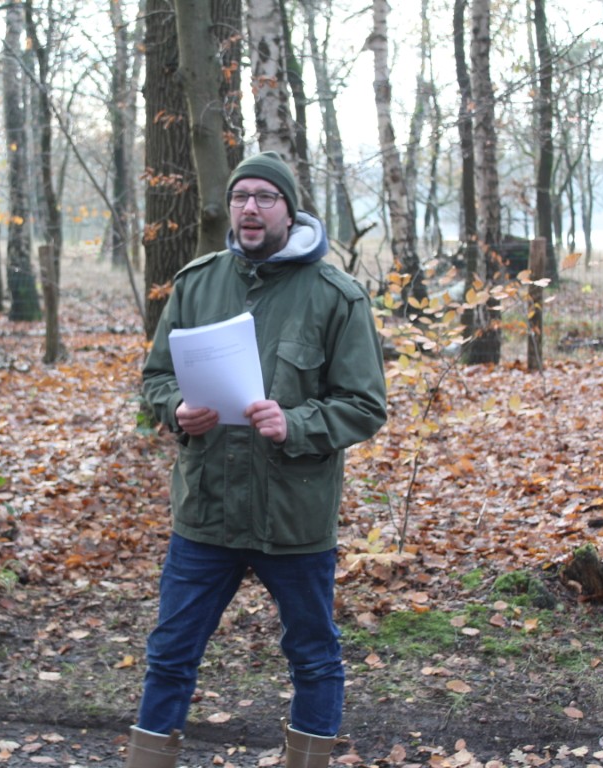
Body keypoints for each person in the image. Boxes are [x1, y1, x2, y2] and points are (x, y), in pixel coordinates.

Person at [128, 151, 388, 768]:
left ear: (289, 211)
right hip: (207, 510)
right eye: (240, 196)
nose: (249, 207)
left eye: (264, 197)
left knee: (314, 656)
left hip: (292, 516)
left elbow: (365, 405)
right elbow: (156, 377)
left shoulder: (336, 295)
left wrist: (294, 422)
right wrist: (176, 409)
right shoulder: (198, 283)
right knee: (170, 652)